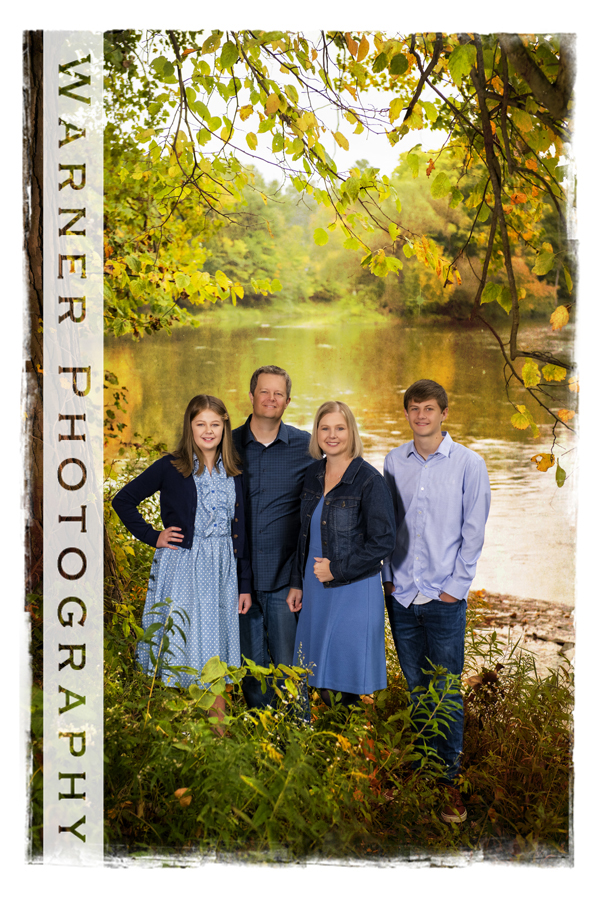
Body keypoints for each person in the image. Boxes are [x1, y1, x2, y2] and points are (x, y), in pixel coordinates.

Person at [382, 379, 491, 824]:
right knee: (416, 687)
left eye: (429, 408)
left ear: (444, 413)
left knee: (445, 691)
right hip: (402, 596)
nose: (421, 416)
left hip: (444, 597)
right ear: (406, 414)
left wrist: (455, 588)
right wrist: (388, 580)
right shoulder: (393, 461)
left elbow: (474, 531)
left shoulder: (469, 464)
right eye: (414, 409)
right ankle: (424, 768)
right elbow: (384, 526)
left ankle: (448, 782)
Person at [112, 394, 252, 731]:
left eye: (215, 424)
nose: (208, 431)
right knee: (180, 645)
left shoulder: (234, 469)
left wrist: (245, 583)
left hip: (222, 569)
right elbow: (123, 500)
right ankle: (176, 732)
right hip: (184, 568)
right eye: (201, 424)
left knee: (215, 652)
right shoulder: (171, 466)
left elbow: (242, 532)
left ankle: (216, 739)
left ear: (224, 427)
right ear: (190, 427)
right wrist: (153, 535)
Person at [286, 401, 396, 711]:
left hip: (353, 588)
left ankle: (354, 750)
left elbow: (384, 542)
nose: (332, 435)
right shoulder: (312, 474)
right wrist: (297, 583)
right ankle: (339, 751)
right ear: (316, 433)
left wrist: (337, 570)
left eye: (339, 428)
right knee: (320, 678)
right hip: (315, 587)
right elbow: (302, 536)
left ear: (351, 432)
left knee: (344, 683)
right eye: (325, 428)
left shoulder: (369, 480)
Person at [232, 366, 312, 708]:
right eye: (264, 392)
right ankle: (258, 744)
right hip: (239, 579)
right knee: (252, 671)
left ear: (288, 401)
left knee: (290, 670)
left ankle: (298, 742)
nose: (271, 399)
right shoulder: (226, 443)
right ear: (251, 397)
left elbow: (343, 478)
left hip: (284, 579)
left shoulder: (306, 448)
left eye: (278, 394)